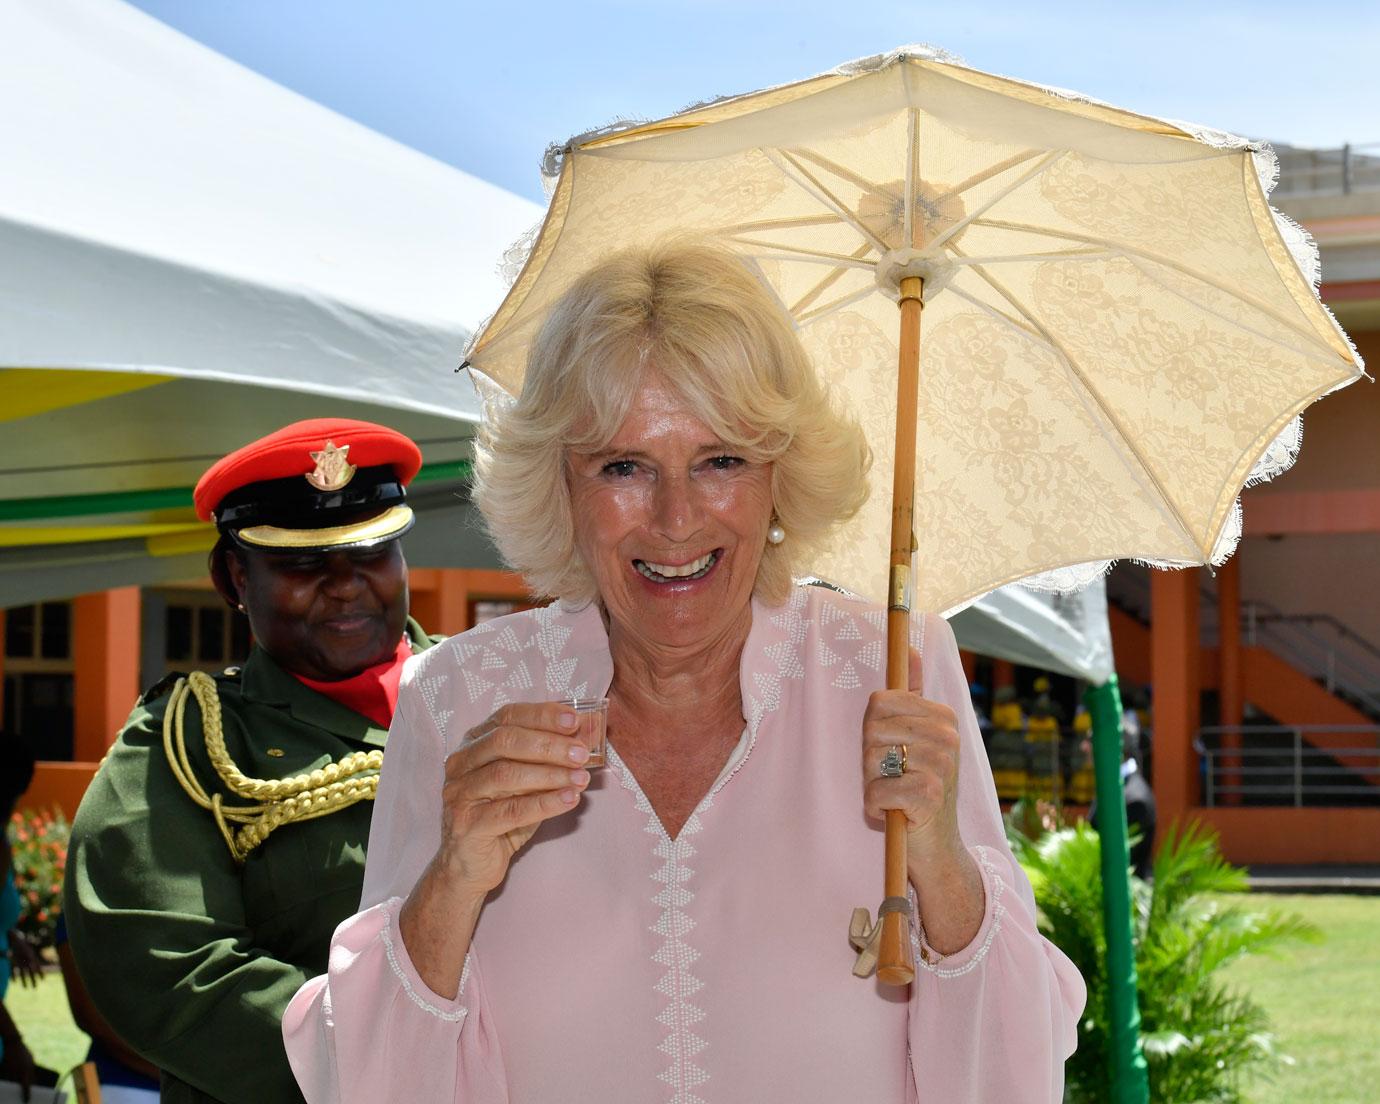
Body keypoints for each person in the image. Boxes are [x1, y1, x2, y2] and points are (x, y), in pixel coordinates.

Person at [283, 244, 1085, 1103]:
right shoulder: (462, 697)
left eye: (722, 461)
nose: (674, 519)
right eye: (622, 467)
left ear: (780, 477)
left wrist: (940, 863)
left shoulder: (895, 668)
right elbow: (360, 1082)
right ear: (560, 483)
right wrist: (453, 881)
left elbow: (1015, 1072)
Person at [65, 419, 442, 1104]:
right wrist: (389, 1055)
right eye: (302, 563)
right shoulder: (186, 746)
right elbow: (166, 970)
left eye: (370, 552)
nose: (345, 585)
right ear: (234, 575)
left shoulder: (498, 692)